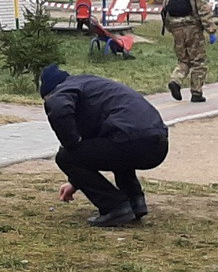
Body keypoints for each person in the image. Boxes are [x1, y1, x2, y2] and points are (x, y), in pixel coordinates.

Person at [40, 64, 169, 227]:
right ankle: (134, 201)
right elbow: (98, 148)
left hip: (131, 140)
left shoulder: (62, 89)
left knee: (65, 157)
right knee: (115, 146)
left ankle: (115, 206)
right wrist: (75, 181)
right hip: (157, 144)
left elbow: (58, 107)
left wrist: (70, 144)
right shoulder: (90, 85)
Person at [162, 0, 217, 103]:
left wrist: (171, 28)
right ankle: (196, 93)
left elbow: (164, 9)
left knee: (183, 59)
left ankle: (176, 80)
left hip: (176, 29)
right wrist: (211, 30)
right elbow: (204, 11)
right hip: (192, 29)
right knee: (198, 61)